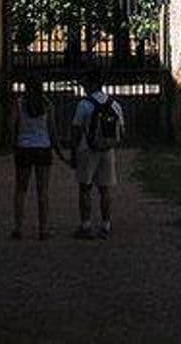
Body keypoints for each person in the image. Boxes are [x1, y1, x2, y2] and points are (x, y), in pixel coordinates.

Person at [70, 68, 124, 239]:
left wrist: (73, 152)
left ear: (91, 83)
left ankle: (86, 225)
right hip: (107, 150)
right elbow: (121, 130)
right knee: (105, 189)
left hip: (87, 149)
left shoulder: (84, 104)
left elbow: (76, 130)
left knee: (85, 188)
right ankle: (106, 225)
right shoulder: (114, 104)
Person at [9, 76, 58, 239]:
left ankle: (18, 227)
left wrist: (13, 142)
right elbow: (52, 128)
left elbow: (11, 125)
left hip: (24, 148)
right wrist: (55, 146)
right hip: (43, 148)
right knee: (43, 191)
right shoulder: (47, 104)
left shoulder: (19, 103)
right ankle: (43, 229)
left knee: (21, 190)